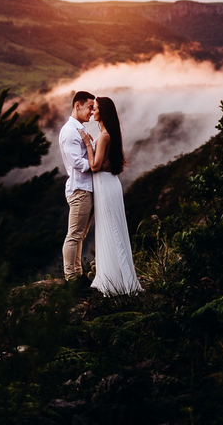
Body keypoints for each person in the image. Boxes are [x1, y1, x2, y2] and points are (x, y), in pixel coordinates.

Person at [81, 96, 142, 296]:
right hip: (107, 184)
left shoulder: (104, 136)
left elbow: (95, 165)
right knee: (108, 229)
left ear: (103, 112)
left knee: (112, 230)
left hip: (105, 185)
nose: (93, 111)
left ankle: (120, 281)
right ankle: (113, 277)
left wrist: (88, 144)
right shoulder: (106, 134)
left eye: (96, 108)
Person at [59, 90, 96, 281]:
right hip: (80, 189)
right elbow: (77, 163)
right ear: (77, 106)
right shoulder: (70, 131)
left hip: (85, 188)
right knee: (74, 235)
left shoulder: (79, 129)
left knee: (80, 234)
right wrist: (96, 163)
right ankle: (71, 277)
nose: (92, 111)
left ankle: (77, 274)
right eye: (90, 107)